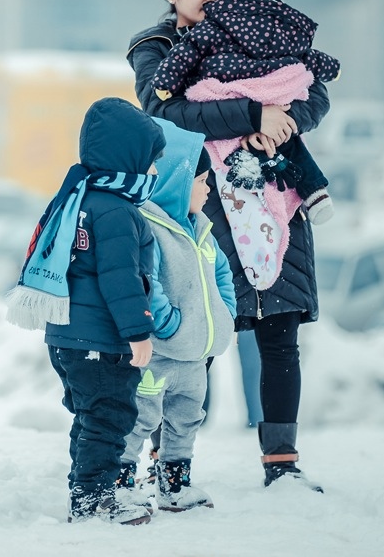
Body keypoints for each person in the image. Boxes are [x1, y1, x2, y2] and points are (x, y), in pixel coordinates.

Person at [127, 0, 328, 490]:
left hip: (272, 198)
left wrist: (285, 121)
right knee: (193, 341)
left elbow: (313, 90)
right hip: (199, 208)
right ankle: (167, 460)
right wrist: (254, 113)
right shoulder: (155, 47)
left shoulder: (262, 29)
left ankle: (282, 464)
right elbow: (164, 108)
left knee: (280, 334)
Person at [5, 97, 165, 526]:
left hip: (68, 336)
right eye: (150, 161)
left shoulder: (80, 201)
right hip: (101, 339)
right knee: (108, 419)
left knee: (92, 419)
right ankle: (93, 501)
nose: (153, 171)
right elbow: (120, 279)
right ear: (128, 159)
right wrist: (138, 332)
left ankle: (87, 490)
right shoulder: (117, 211)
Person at [148, 0, 339, 223]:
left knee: (247, 136)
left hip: (230, 93)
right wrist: (262, 119)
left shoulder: (213, 26)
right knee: (290, 147)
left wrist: (165, 83)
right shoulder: (286, 32)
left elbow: (185, 54)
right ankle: (315, 191)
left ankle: (252, 167)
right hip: (271, 95)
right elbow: (312, 60)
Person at [120, 119, 235, 512]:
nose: (208, 189)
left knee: (186, 420)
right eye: (202, 181)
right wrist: (170, 326)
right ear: (178, 184)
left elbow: (222, 275)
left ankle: (174, 485)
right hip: (160, 354)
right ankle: (121, 482)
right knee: (141, 418)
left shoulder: (202, 230)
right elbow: (148, 283)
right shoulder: (151, 228)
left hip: (195, 358)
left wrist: (225, 313)